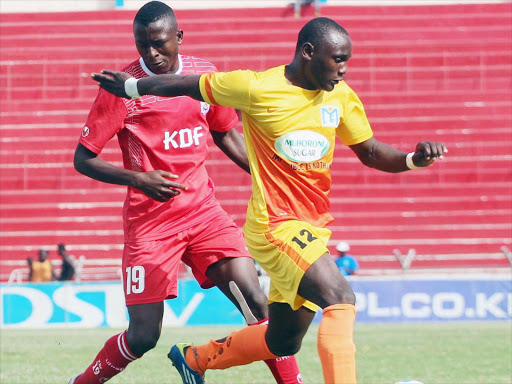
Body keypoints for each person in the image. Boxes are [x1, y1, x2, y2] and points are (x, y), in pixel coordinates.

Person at [92, 16, 448, 384]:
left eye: (346, 60)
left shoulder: (340, 96)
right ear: (309, 53)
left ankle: (195, 359)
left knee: (282, 340)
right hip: (275, 227)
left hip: (313, 228)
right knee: (340, 297)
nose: (343, 69)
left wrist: (411, 160)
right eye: (338, 59)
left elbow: (371, 151)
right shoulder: (256, 87)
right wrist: (133, 87)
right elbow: (187, 83)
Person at [69, 2, 301, 384]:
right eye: (143, 46)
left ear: (178, 37)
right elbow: (83, 159)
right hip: (150, 225)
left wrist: (268, 177)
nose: (151, 54)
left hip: (204, 213)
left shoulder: (204, 76)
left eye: (159, 44)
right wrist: (140, 179)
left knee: (257, 302)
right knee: (144, 336)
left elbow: (225, 133)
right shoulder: (121, 89)